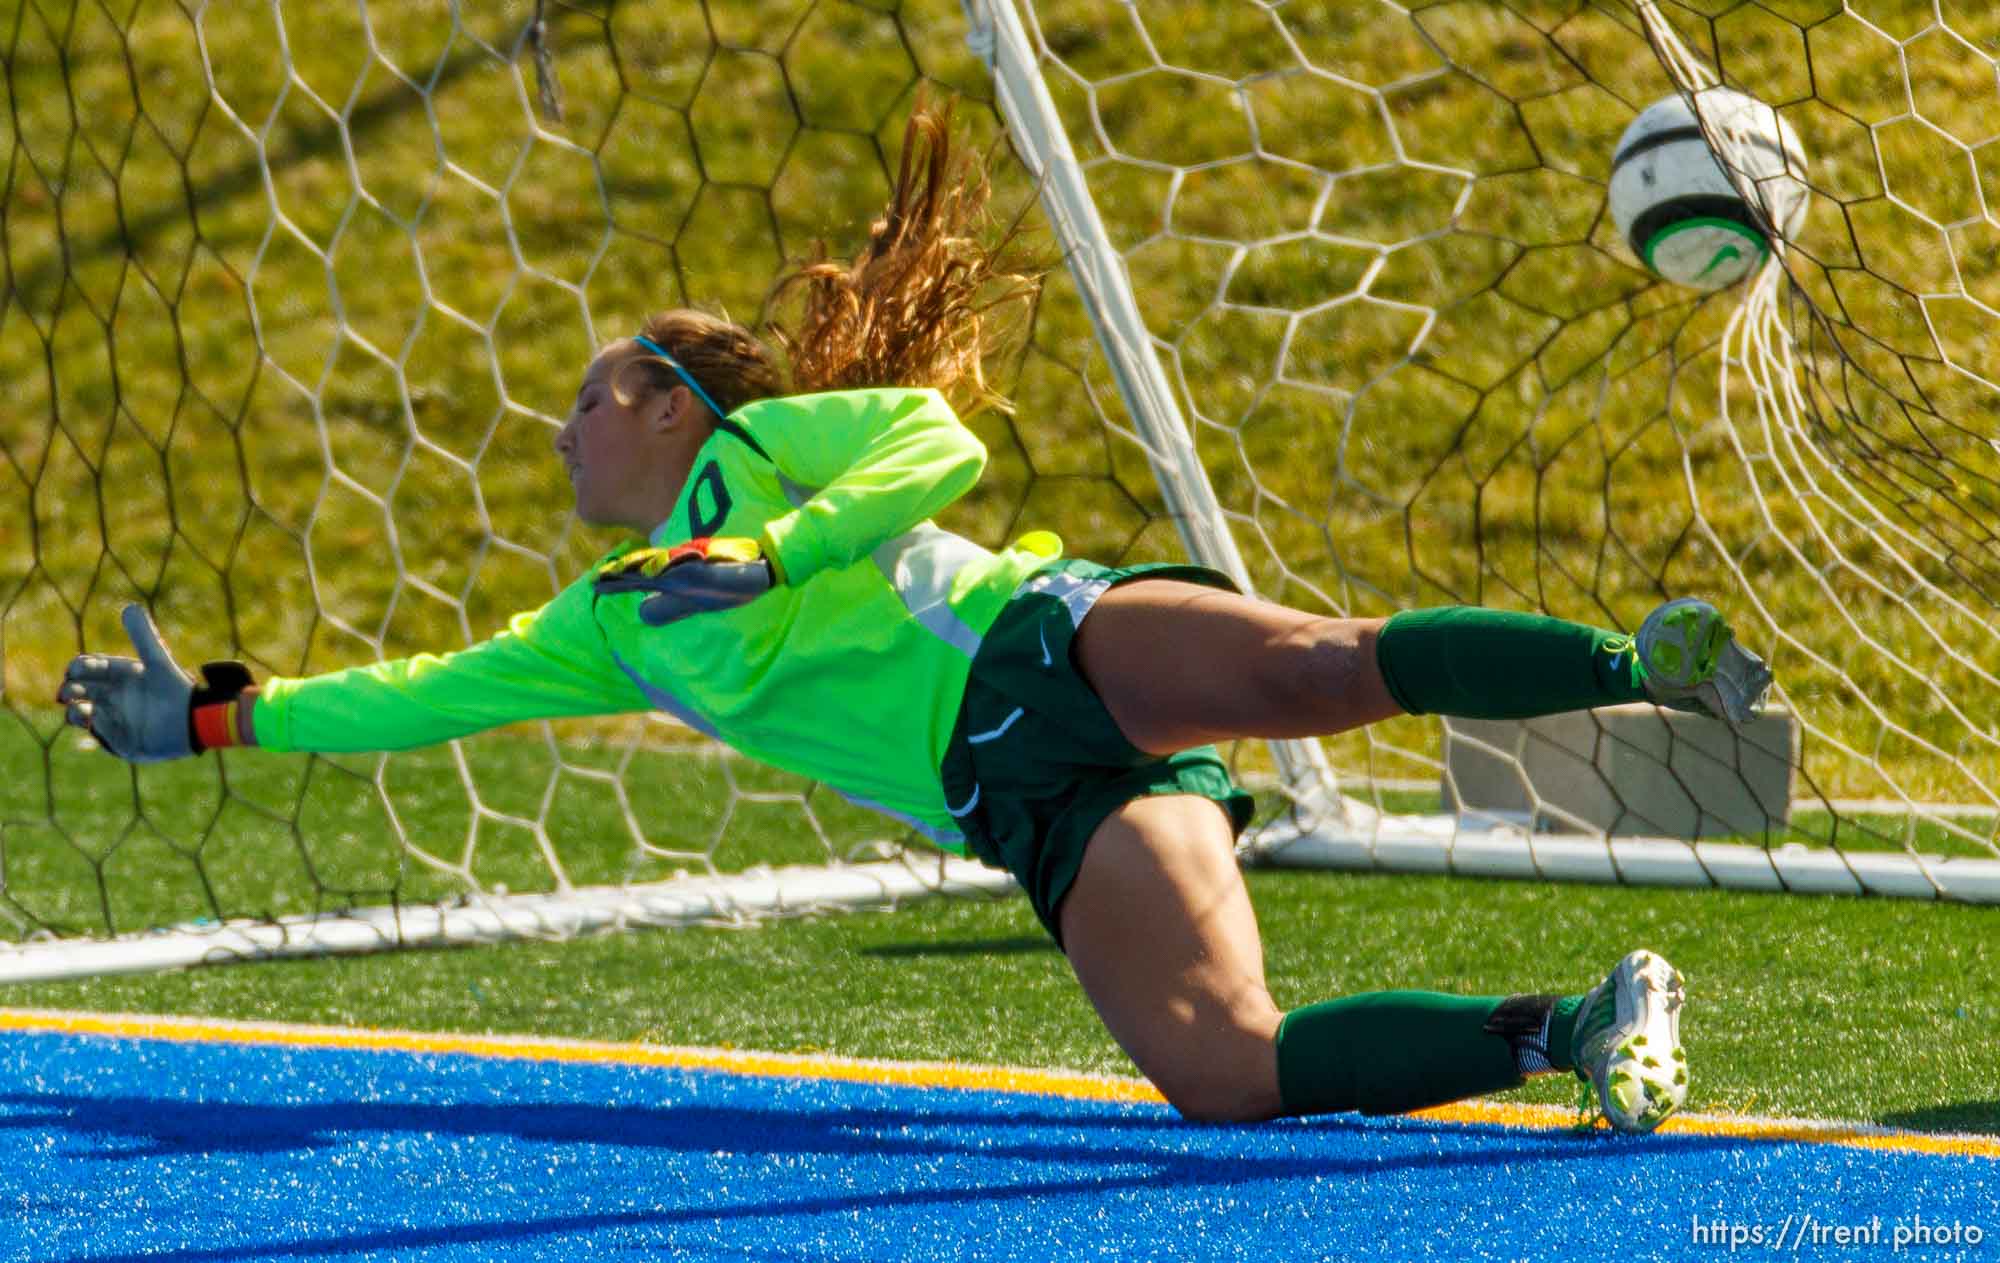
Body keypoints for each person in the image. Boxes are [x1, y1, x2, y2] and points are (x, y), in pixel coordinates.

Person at [56, 104, 1770, 1134]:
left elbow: (934, 440)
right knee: (1227, 1082)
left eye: (589, 396)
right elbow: (428, 696)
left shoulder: (763, 447)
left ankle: (1645, 667)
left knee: (1315, 672)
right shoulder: (612, 618)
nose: (563, 430)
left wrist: (781, 550)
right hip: (1027, 804)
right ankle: (1579, 1026)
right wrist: (219, 716)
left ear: (667, 407)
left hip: (1041, 638)